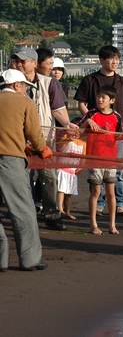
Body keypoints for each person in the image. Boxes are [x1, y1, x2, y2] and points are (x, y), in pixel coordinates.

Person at [12, 48, 76, 231]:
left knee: (49, 177)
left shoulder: (49, 83)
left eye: (22, 61)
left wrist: (67, 124)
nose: (18, 64)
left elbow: (57, 108)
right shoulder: (10, 83)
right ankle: (25, 215)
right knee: (22, 178)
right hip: (17, 139)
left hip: (44, 138)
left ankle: (52, 214)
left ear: (34, 63)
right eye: (16, 61)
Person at [74, 45, 123, 217]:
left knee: (117, 170)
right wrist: (89, 119)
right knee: (96, 169)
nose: (115, 62)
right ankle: (99, 203)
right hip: (95, 135)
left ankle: (120, 203)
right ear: (101, 60)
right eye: (110, 58)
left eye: (117, 58)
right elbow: (81, 102)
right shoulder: (90, 80)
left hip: (116, 135)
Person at [0, 69, 51, 271]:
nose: (25, 91)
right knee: (23, 210)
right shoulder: (24, 103)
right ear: (16, 86)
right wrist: (41, 149)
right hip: (11, 161)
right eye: (24, 87)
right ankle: (29, 259)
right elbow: (34, 133)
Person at [79, 85, 123, 235]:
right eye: (98, 97)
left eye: (103, 98)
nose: (99, 100)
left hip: (110, 158)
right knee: (96, 191)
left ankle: (112, 225)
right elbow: (77, 130)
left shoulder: (116, 116)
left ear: (111, 100)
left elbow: (120, 135)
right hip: (94, 157)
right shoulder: (91, 114)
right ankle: (93, 225)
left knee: (111, 192)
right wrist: (87, 123)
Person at [55, 130, 84, 220]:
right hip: (62, 169)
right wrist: (67, 139)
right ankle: (60, 209)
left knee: (69, 193)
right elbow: (60, 148)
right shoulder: (65, 138)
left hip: (72, 171)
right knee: (61, 190)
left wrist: (81, 166)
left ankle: (67, 211)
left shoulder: (83, 143)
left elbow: (83, 157)